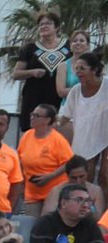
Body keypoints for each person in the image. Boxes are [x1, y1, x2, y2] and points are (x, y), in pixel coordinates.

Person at [55, 52, 108, 198]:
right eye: (76, 69)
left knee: (105, 176)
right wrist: (52, 123)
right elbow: (65, 116)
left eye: (82, 68)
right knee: (85, 178)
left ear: (94, 70)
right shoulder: (76, 91)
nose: (78, 72)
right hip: (85, 138)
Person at [11, 8, 70, 131]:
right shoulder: (30, 48)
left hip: (60, 101)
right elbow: (16, 74)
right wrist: (32, 72)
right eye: (41, 24)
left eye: (48, 23)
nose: (43, 26)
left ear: (57, 27)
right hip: (34, 99)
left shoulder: (68, 46)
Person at [18, 103, 72, 216]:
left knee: (47, 221)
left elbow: (69, 162)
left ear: (47, 120)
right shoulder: (27, 136)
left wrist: (50, 176)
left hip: (53, 190)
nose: (32, 117)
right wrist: (22, 184)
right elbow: (19, 161)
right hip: (32, 190)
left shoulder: (57, 140)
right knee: (30, 223)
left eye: (37, 115)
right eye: (32, 114)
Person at [57, 29, 91, 101]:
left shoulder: (94, 65)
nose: (78, 43)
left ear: (87, 45)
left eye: (82, 41)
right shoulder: (63, 66)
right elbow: (60, 92)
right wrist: (85, 88)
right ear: (70, 45)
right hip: (68, 107)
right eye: (75, 41)